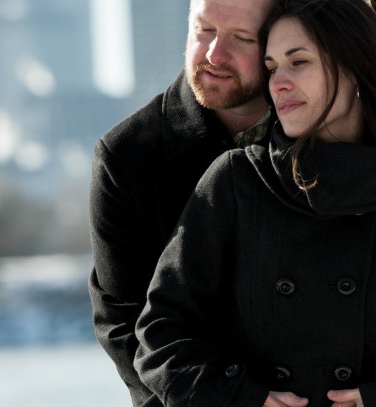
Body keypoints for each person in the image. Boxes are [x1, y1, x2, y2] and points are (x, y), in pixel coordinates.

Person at [134, 0, 376, 406]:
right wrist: (241, 399)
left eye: (298, 62)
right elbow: (161, 333)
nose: (278, 84)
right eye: (272, 68)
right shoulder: (235, 184)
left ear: (356, 68)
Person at [87, 0, 277, 405]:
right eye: (204, 30)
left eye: (241, 38)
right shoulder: (126, 157)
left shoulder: (331, 131)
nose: (214, 54)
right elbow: (125, 328)